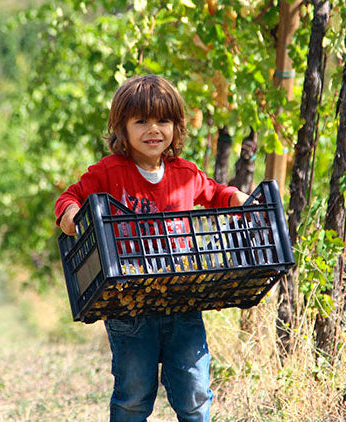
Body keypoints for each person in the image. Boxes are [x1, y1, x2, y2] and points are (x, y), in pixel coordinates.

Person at [55, 74, 250, 422]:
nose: (153, 129)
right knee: (133, 395)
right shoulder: (109, 171)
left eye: (163, 120)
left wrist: (235, 195)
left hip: (181, 298)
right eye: (141, 121)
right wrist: (70, 213)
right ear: (122, 128)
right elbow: (71, 196)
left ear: (176, 126)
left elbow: (216, 193)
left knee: (194, 392)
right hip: (129, 302)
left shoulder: (186, 174)